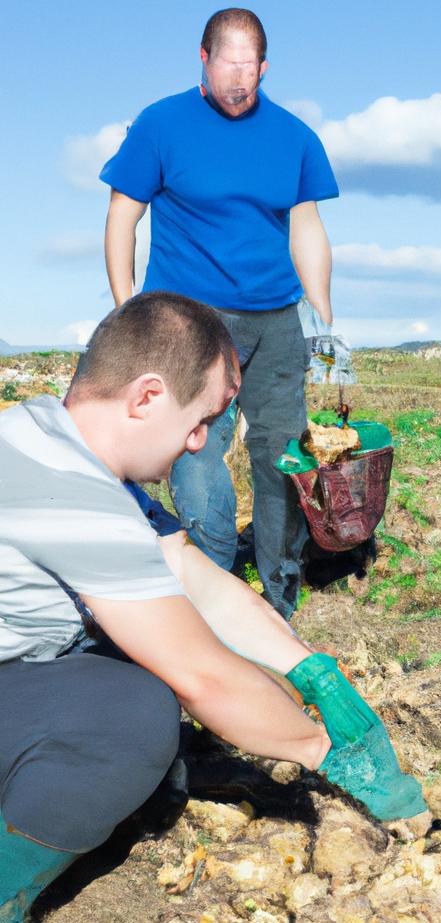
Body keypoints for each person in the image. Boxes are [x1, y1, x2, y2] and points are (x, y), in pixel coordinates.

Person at [0, 292, 426, 923]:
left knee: (138, 664)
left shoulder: (49, 432)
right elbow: (202, 674)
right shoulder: (70, 492)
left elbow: (199, 580)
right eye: (200, 421)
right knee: (136, 711)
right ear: (147, 396)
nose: (200, 445)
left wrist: (307, 668)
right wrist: (327, 750)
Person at [100, 8, 339, 619]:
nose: (238, 85)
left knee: (282, 452)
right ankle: (208, 586)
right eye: (227, 69)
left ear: (264, 68)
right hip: (189, 320)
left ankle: (280, 596)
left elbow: (307, 227)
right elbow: (123, 216)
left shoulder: (293, 136)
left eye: (249, 74)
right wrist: (128, 309)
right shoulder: (161, 124)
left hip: (275, 323)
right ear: (202, 59)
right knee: (197, 447)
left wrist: (324, 317)